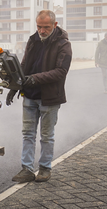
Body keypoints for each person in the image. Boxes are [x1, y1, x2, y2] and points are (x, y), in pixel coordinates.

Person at [6, 10, 72, 183]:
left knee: (46, 136)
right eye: (39, 27)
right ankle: (26, 169)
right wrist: (15, 86)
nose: (41, 31)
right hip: (29, 95)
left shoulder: (63, 44)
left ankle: (44, 168)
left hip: (49, 98)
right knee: (28, 134)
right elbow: (24, 64)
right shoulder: (33, 40)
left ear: (55, 25)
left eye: (46, 27)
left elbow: (61, 71)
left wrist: (34, 79)